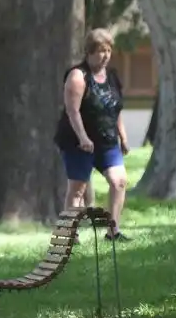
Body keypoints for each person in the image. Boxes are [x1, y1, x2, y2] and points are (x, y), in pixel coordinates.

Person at [54, 28, 130, 241]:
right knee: (78, 189)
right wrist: (83, 137)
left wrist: (123, 137)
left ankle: (113, 231)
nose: (105, 56)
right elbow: (73, 111)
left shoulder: (112, 76)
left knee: (119, 181)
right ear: (89, 52)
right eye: (100, 51)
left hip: (107, 141)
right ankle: (70, 234)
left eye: (108, 51)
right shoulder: (78, 76)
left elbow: (115, 109)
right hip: (78, 141)